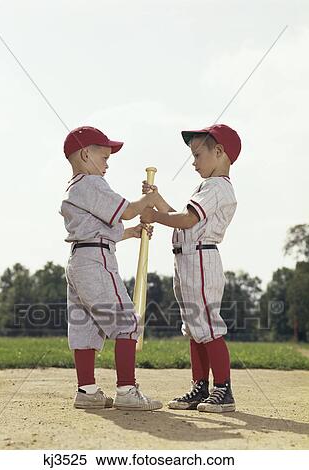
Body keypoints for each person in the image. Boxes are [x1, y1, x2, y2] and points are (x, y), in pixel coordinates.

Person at [60, 126, 162, 411]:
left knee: (85, 327)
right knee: (128, 322)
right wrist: (149, 200)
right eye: (103, 156)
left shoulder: (75, 188)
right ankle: (127, 391)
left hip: (79, 260)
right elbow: (127, 209)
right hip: (97, 261)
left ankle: (87, 391)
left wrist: (130, 233)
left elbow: (99, 227)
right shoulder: (92, 183)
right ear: (84, 154)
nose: (107, 163)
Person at [140, 124, 241, 413]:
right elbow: (184, 217)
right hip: (187, 259)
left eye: (197, 155)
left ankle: (223, 389)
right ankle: (201, 387)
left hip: (200, 259)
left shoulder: (217, 186)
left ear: (219, 151)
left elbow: (185, 220)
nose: (194, 162)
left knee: (207, 326)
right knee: (195, 329)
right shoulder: (208, 186)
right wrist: (156, 199)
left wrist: (154, 215)